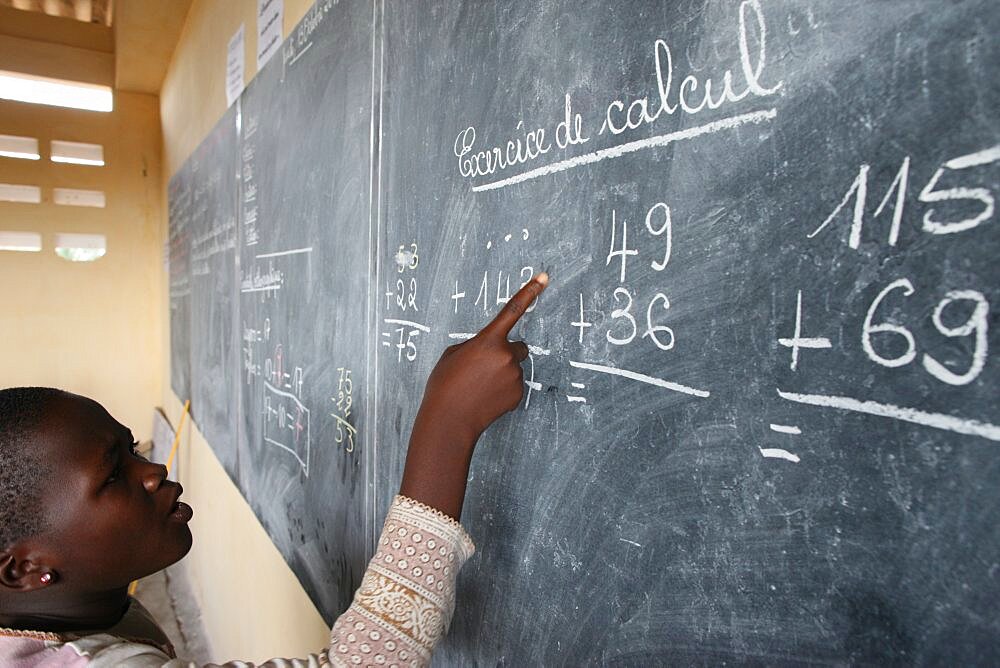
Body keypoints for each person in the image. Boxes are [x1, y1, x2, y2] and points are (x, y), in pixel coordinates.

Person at [0, 273, 549, 666]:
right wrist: (447, 424)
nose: (150, 472)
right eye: (112, 476)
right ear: (23, 570)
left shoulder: (70, 612)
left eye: (133, 449)